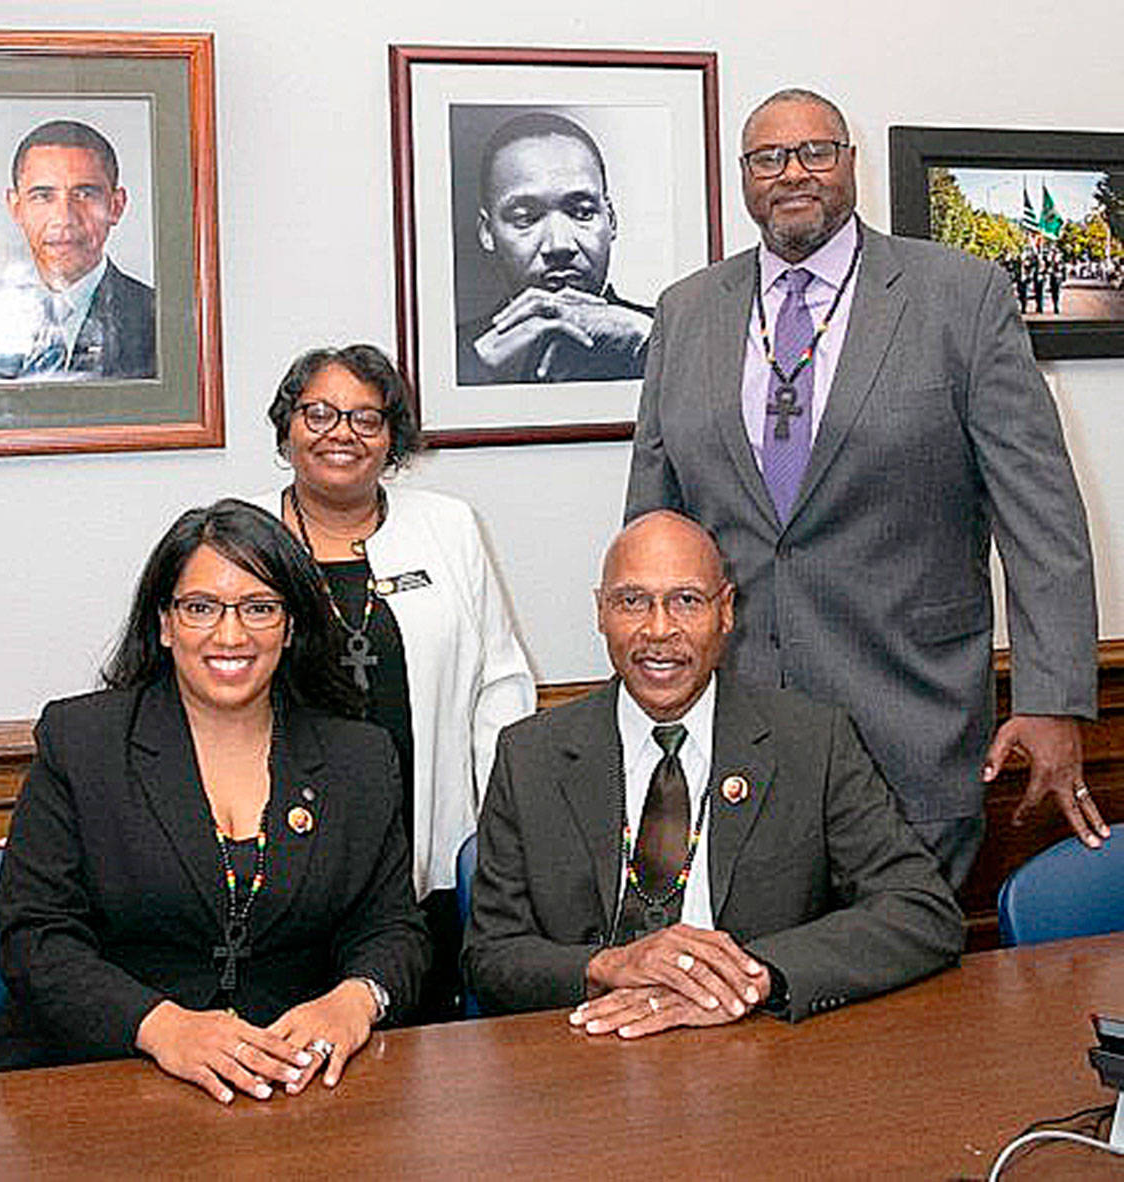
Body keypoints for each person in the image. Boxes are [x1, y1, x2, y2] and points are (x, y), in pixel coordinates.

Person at [625, 88, 1103, 888]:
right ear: (744, 177)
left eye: (816, 152)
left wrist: (1054, 700)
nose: (793, 174)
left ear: (851, 164)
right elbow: (653, 523)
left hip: (911, 724)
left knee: (904, 990)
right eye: (768, 158)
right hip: (730, 728)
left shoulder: (963, 297)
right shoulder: (687, 312)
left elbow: (1042, 517)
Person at [0, 500, 430, 1102]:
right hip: (99, 1077)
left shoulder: (360, 757)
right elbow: (34, 935)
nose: (231, 634)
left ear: (292, 626)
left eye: (260, 608)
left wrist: (356, 999)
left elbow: (394, 928)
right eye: (200, 608)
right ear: (164, 623)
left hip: (294, 1084)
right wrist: (161, 1026)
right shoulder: (82, 743)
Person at [463, 512, 963, 1029]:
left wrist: (751, 976)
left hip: (758, 1050)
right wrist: (606, 967)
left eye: (686, 601)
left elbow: (921, 909)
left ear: (726, 611)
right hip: (587, 1052)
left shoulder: (812, 742)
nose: (658, 630)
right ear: (601, 612)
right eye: (632, 601)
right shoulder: (530, 756)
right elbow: (490, 957)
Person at [258, 344, 535, 1019]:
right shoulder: (241, 531)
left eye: (366, 418)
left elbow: (500, 684)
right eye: (319, 413)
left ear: (392, 438)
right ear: (287, 427)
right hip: (279, 849)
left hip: (424, 832)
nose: (341, 434)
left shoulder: (449, 527)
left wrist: (504, 824)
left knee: (421, 1044)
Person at [0, 119, 156, 380]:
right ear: (16, 207)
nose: (64, 217)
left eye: (84, 194)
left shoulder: (157, 319)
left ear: (116, 206)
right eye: (43, 196)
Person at [457, 111, 653, 385]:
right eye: (525, 218)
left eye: (582, 213)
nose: (559, 245)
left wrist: (650, 343)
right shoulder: (455, 358)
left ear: (611, 220)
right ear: (488, 233)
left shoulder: (666, 336)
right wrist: (475, 369)